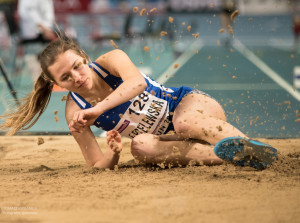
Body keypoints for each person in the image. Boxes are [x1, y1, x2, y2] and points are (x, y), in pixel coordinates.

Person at [0, 34, 277, 170]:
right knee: (140, 146)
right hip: (170, 141)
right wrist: (114, 152)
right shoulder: (75, 112)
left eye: (77, 66)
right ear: (56, 83)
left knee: (183, 122)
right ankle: (225, 156)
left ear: (84, 57)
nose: (77, 77)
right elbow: (96, 165)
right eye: (66, 77)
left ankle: (250, 146)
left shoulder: (110, 60)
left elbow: (138, 83)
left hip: (191, 107)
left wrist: (99, 109)